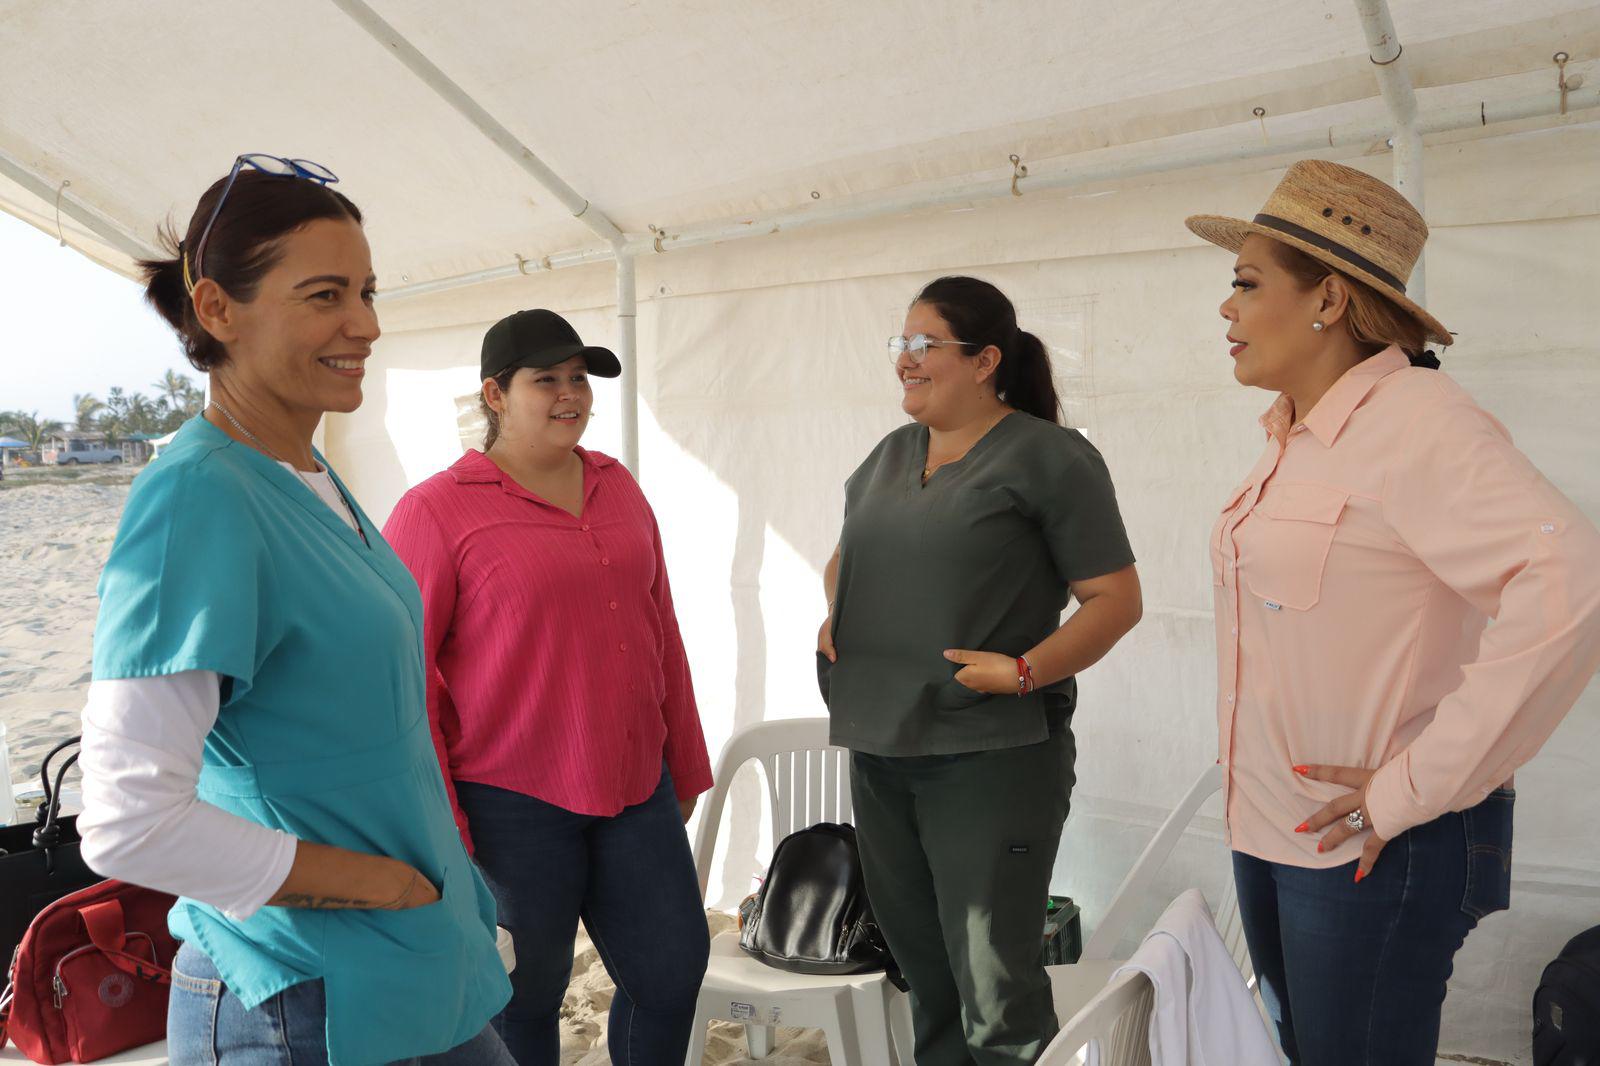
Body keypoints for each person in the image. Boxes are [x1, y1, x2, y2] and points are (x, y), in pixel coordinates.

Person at [77, 154, 513, 1065]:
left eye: (367, 291)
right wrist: (380, 885)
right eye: (325, 296)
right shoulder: (197, 498)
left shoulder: (305, 473)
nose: (367, 324)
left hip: (409, 962)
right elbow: (128, 818)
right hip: (302, 996)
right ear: (216, 308)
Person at [1185, 158, 1600, 1065]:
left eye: (1246, 284)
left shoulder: (1416, 420)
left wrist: (1413, 785)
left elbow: (1571, 579)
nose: (1226, 308)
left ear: (1330, 299)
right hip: (1278, 829)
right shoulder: (1293, 435)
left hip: (1374, 845)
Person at [818, 276, 1143, 1064]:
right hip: (880, 747)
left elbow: (1115, 600)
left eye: (924, 343)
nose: (905, 359)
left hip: (990, 757)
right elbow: (846, 558)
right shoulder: (891, 455)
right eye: (900, 343)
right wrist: (840, 613)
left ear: (985, 359)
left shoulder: (1050, 457)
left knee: (995, 990)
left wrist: (1025, 671)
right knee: (924, 976)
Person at [384, 309, 713, 1065]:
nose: (570, 395)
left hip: (636, 786)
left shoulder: (617, 485)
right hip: (508, 805)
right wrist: (441, 824)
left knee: (672, 974)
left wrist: (687, 766)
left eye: (578, 379)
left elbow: (662, 632)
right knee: (522, 999)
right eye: (546, 380)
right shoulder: (435, 510)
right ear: (495, 394)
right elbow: (405, 685)